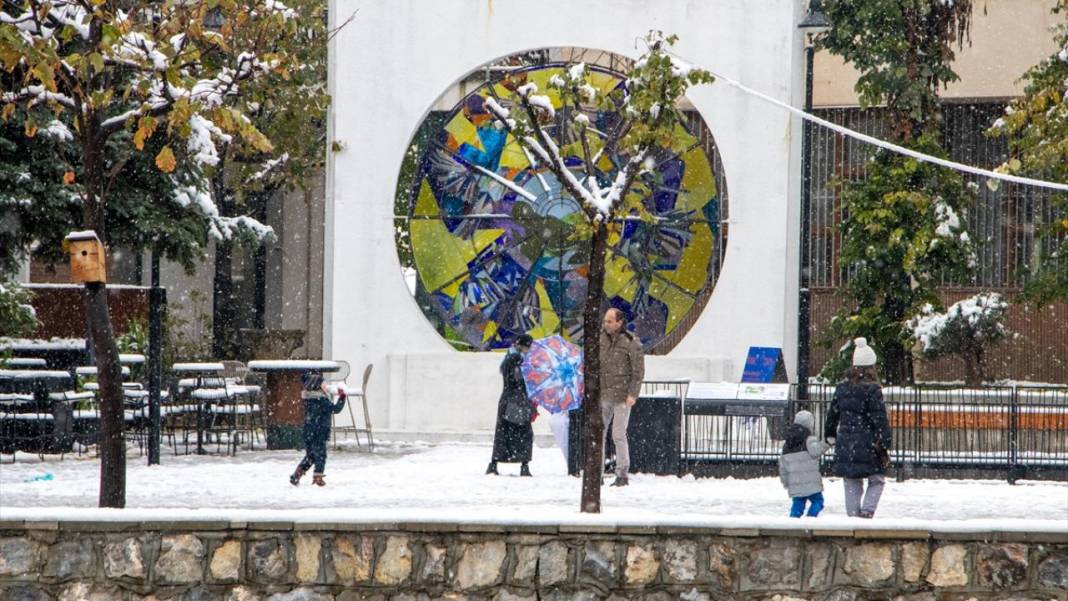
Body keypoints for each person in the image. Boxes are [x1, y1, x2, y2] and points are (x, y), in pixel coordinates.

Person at [824, 337, 893, 518]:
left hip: (846, 441)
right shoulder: (872, 390)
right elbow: (879, 418)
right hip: (868, 441)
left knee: (851, 480)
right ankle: (867, 512)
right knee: (877, 479)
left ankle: (853, 517)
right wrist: (884, 442)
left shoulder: (842, 388)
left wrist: (830, 435)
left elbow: (832, 414)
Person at [600, 308, 645, 487]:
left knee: (618, 434)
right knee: (599, 434)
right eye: (605, 321)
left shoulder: (630, 342)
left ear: (619, 322)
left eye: (610, 321)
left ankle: (622, 473)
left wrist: (633, 394)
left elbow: (638, 371)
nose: (606, 324)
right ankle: (598, 472)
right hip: (603, 393)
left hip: (621, 395)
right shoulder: (600, 339)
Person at [487, 334, 538, 476]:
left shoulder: (510, 357)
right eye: (529, 347)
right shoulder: (517, 359)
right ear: (523, 346)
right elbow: (519, 380)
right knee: (522, 432)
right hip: (516, 400)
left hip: (509, 400)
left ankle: (495, 463)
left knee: (503, 433)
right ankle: (523, 464)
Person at [289, 371, 346, 487]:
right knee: (321, 455)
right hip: (319, 432)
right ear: (317, 387)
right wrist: (342, 396)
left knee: (311, 456)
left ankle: (297, 475)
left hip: (308, 432)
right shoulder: (321, 400)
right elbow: (336, 409)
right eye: (323, 385)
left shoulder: (308, 399)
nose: (326, 387)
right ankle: (318, 477)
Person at [779, 410, 832, 517]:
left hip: (795, 482)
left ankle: (794, 525)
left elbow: (783, 467)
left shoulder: (787, 444)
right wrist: (827, 443)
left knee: (797, 505)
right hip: (810, 481)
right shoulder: (808, 439)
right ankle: (809, 521)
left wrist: (786, 482)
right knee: (818, 502)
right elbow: (816, 451)